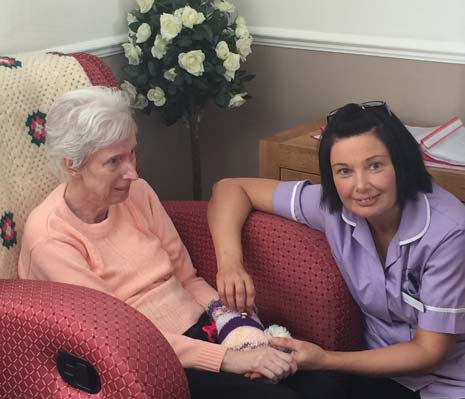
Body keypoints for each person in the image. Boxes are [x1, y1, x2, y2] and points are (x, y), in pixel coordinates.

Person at [18, 86, 342, 399]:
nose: (131, 172)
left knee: (324, 385)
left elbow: (187, 277)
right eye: (114, 162)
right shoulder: (51, 239)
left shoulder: (138, 193)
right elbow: (119, 336)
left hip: (201, 329)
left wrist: (235, 326)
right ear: (71, 165)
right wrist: (229, 360)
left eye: (132, 152)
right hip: (147, 358)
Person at [207, 101, 465, 399]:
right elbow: (230, 189)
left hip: (450, 383)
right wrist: (230, 265)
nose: (360, 186)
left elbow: (429, 351)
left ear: (401, 162)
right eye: (344, 171)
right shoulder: (334, 208)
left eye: (375, 165)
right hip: (378, 372)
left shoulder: (449, 231)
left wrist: (325, 359)